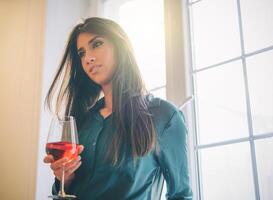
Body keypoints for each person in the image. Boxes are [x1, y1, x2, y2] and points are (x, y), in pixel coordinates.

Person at [43, 17, 192, 200]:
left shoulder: (164, 116)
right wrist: (64, 179)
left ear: (121, 46)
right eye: (81, 53)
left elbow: (181, 195)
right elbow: (65, 193)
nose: (88, 58)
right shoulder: (83, 121)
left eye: (96, 44)